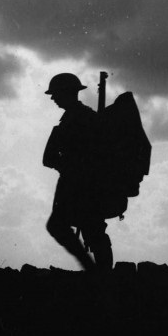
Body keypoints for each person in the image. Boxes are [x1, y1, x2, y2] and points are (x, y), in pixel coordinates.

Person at [43, 73, 113, 271]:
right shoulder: (78, 117)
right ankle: (98, 272)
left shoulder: (79, 118)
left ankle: (96, 271)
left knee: (79, 228)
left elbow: (89, 154)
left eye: (56, 93)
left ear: (67, 93)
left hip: (81, 184)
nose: (52, 98)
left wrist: (68, 166)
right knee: (91, 229)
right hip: (79, 183)